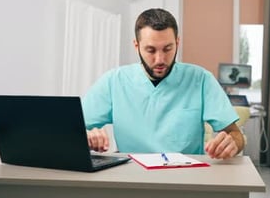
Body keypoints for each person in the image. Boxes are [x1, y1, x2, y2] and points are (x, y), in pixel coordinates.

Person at [82, 8, 244, 159]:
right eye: (151, 50)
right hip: (131, 178)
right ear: (137, 46)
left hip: (187, 177)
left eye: (167, 49)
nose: (160, 59)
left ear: (177, 43)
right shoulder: (114, 82)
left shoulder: (200, 79)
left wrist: (232, 143)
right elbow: (69, 130)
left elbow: (236, 135)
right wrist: (87, 136)